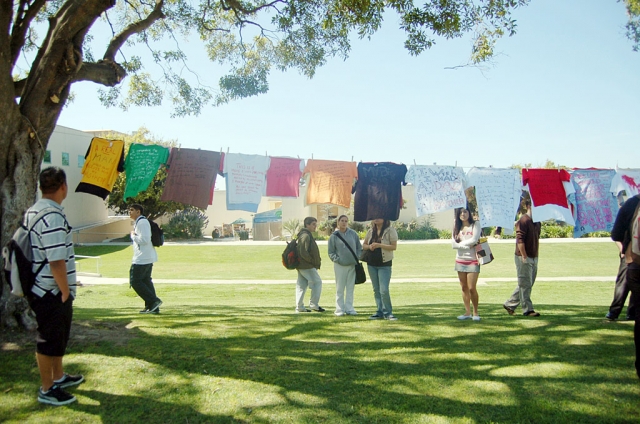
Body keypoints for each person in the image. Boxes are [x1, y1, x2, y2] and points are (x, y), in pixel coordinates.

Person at [27, 167, 84, 405]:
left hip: (45, 287)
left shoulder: (35, 210)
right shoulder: (52, 216)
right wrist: (65, 291)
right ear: (63, 186)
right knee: (49, 338)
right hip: (50, 290)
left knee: (58, 336)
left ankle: (58, 376)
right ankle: (47, 388)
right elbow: (56, 259)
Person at [610, 193, 640, 379]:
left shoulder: (632, 204)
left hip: (635, 263)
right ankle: (617, 311)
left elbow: (617, 233)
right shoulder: (632, 204)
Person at [503, 198, 542, 317]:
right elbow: (520, 239)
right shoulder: (524, 220)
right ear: (528, 206)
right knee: (525, 284)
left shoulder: (537, 221)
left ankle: (510, 304)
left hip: (534, 256)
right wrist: (524, 255)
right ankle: (528, 310)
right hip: (523, 256)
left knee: (527, 283)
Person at [129, 204, 162, 314]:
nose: (130, 212)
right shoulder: (140, 222)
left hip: (142, 258)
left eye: (132, 210)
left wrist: (133, 235)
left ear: (138, 212)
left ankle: (153, 301)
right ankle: (152, 307)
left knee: (135, 281)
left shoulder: (142, 222)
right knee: (145, 281)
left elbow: (145, 240)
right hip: (146, 257)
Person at [363, 219, 398, 320]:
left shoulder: (390, 230)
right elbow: (364, 245)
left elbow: (394, 246)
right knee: (376, 289)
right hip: (371, 264)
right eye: (374, 217)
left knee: (384, 290)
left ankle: (388, 312)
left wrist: (379, 245)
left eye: (379, 216)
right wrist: (370, 246)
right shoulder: (370, 231)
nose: (376, 219)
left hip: (384, 264)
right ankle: (379, 311)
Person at [328, 215, 363, 316]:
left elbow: (359, 248)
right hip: (340, 266)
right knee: (340, 288)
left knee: (350, 288)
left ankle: (349, 308)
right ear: (338, 222)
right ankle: (339, 309)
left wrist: (357, 257)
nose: (344, 223)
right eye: (342, 221)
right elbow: (331, 252)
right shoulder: (334, 236)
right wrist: (338, 260)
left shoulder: (353, 234)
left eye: (346, 221)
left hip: (352, 265)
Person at [451, 207, 482, 321]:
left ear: (469, 213)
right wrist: (465, 246)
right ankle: (467, 312)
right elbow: (453, 244)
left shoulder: (475, 225)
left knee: (472, 287)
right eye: (461, 212)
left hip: (473, 260)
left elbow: (474, 240)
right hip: (460, 260)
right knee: (464, 287)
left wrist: (461, 245)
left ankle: (475, 313)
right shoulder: (456, 226)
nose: (463, 214)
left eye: (465, 211)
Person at [295, 217, 325, 312]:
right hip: (306, 265)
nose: (315, 226)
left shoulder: (304, 235)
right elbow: (303, 252)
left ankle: (300, 307)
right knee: (317, 282)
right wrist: (312, 261)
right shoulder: (306, 236)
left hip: (302, 265)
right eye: (313, 224)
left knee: (301, 285)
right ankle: (314, 304)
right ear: (307, 225)